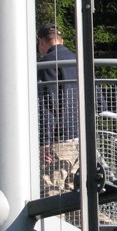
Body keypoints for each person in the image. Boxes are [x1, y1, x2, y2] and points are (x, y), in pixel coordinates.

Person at [37, 23, 79, 194]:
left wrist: (44, 143)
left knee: (51, 193)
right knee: (75, 198)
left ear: (41, 42)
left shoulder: (46, 63)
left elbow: (49, 104)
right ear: (62, 41)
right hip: (82, 141)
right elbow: (99, 103)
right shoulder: (79, 60)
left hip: (59, 141)